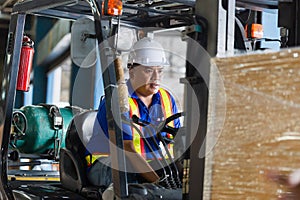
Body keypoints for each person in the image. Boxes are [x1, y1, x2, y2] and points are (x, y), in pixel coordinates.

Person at [85, 37, 181, 189]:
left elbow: (175, 140)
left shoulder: (166, 99)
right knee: (130, 173)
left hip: (148, 164)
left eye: (160, 71)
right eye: (149, 70)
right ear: (132, 70)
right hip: (107, 164)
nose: (156, 77)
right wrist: (158, 182)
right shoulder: (119, 100)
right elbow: (126, 148)